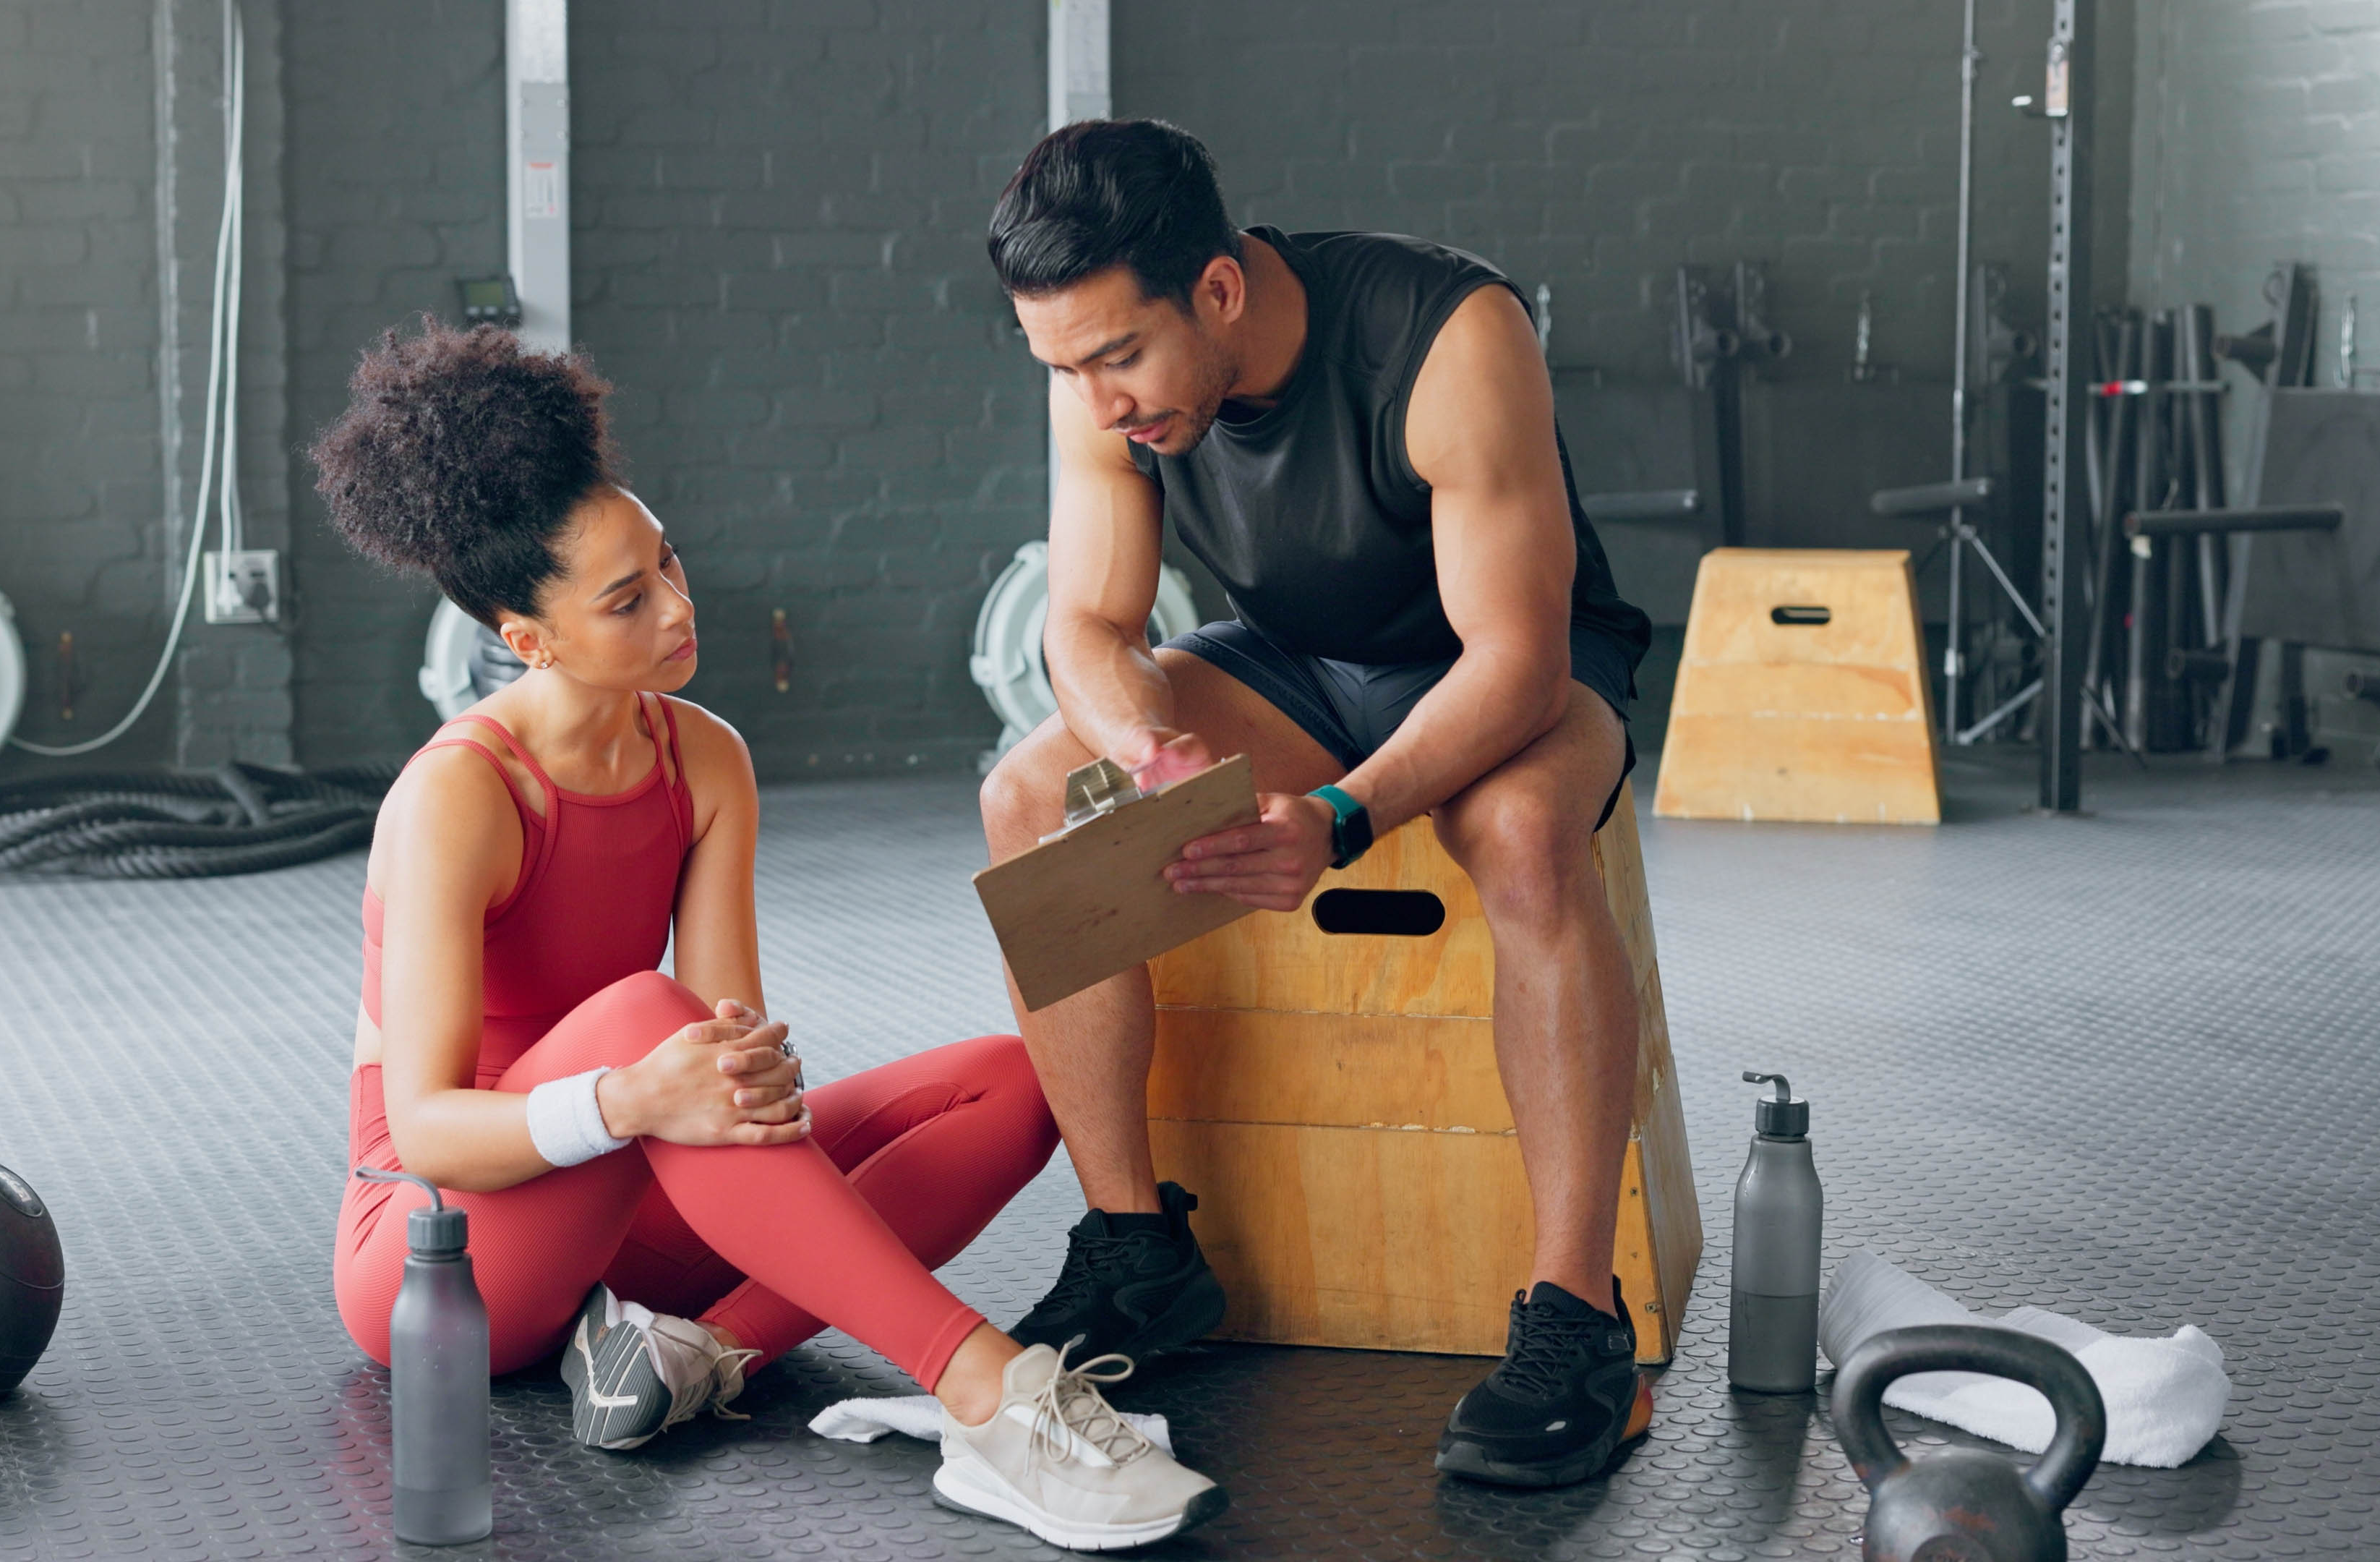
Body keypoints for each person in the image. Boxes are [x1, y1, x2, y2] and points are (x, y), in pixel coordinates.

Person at [316, 320, 1226, 1551]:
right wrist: (638, 1095)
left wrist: (725, 1078)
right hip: (443, 1255)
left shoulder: (704, 759)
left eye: (671, 565)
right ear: (528, 641)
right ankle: (990, 1397)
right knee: (649, 1021)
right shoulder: (459, 795)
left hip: (632, 1206)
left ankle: (698, 1359)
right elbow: (427, 1127)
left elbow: (727, 1036)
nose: (682, 610)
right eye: (631, 600)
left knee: (1015, 1084)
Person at [975, 120, 1659, 1489]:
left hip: (1505, 661)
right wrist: (1146, 750)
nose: (1100, 400)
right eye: (1064, 365)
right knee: (1036, 790)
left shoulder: (1450, 332)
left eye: (1118, 357)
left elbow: (1515, 659)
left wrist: (1345, 817)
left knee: (1519, 834)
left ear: (1219, 291)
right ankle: (1136, 1251)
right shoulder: (1095, 371)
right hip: (1297, 665)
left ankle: (1578, 1312)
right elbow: (1092, 624)